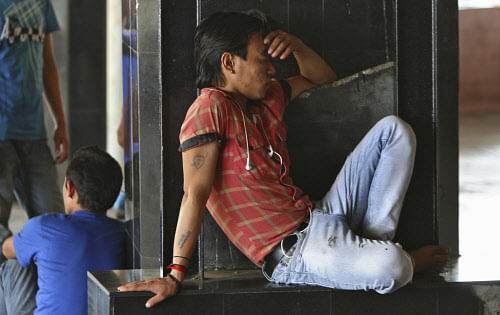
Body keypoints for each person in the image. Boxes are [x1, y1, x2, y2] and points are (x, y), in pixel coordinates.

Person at [118, 11, 450, 307]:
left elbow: (324, 80)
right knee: (394, 266)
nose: (272, 67)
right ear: (229, 63)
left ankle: (369, 247)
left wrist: (297, 47)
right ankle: (394, 260)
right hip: (294, 253)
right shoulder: (208, 109)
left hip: (321, 216)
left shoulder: (267, 99)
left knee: (395, 131)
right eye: (262, 59)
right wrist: (175, 274)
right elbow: (194, 194)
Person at [0, 146, 126, 315]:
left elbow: (7, 250)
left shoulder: (44, 227)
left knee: (15, 263)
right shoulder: (123, 232)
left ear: (70, 188)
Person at [0, 0, 69, 245]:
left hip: (34, 133)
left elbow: (47, 62)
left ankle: (45, 283)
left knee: (53, 224)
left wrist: (60, 122)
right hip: (1, 134)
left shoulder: (41, 4)